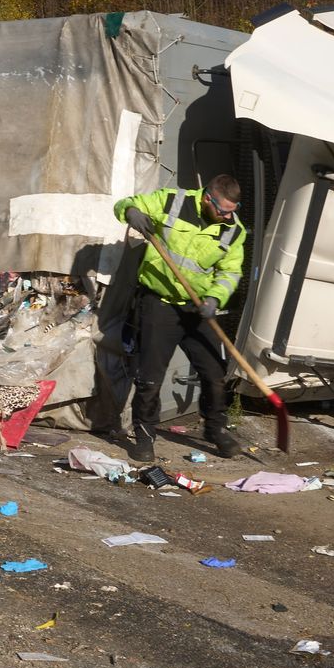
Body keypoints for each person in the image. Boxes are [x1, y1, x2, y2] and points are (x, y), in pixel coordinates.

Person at [112, 176, 248, 462]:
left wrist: (215, 298)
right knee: (150, 378)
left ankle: (215, 429)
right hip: (158, 304)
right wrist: (130, 212)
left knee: (214, 372)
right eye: (223, 210)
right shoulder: (174, 200)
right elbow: (129, 203)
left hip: (197, 309)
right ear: (207, 198)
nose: (227, 216)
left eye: (231, 211)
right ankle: (145, 437)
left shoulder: (233, 231)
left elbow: (230, 271)